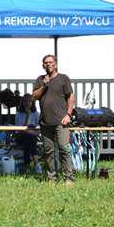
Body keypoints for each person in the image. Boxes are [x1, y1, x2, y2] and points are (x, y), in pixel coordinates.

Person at [31, 54, 76, 184]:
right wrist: (44, 86)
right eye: (46, 63)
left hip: (61, 122)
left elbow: (70, 97)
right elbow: (34, 97)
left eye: (51, 62)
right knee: (48, 151)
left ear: (55, 64)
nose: (48, 64)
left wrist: (68, 114)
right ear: (43, 66)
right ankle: (52, 178)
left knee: (64, 149)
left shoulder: (63, 78)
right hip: (45, 122)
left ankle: (69, 178)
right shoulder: (40, 80)